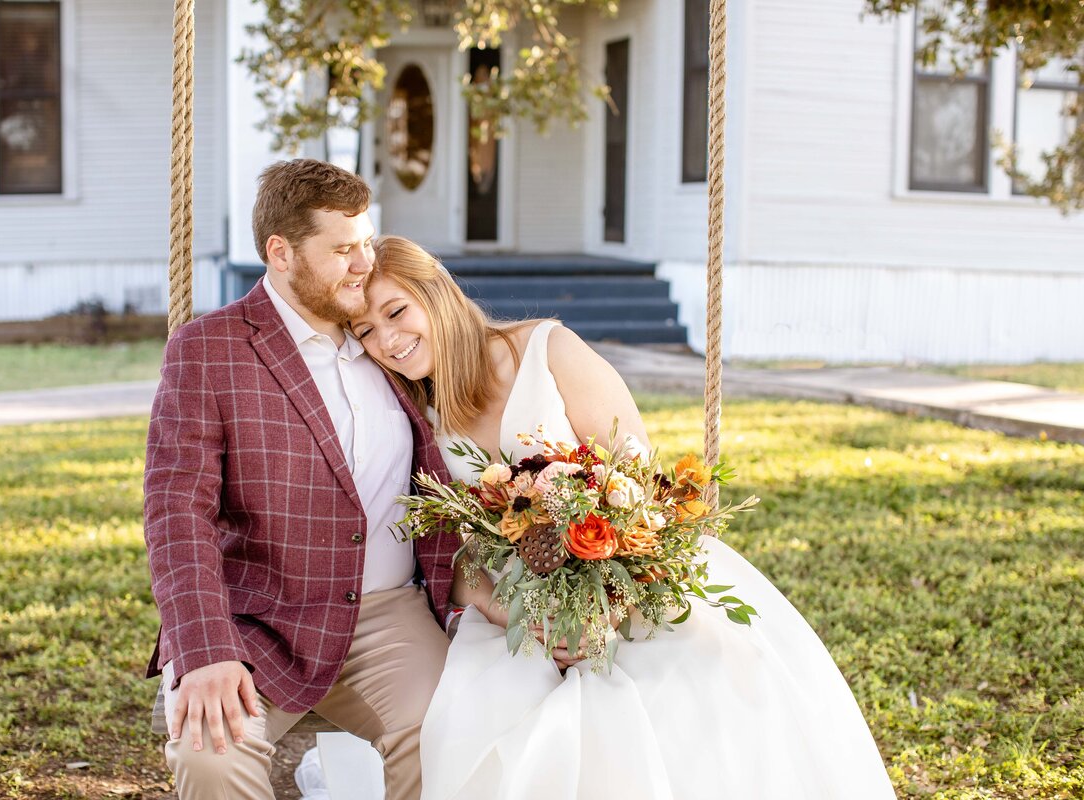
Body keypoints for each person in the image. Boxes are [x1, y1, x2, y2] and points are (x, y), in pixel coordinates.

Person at [348, 235, 898, 799]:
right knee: (499, 717)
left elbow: (641, 488)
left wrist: (607, 607)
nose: (387, 340)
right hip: (516, 603)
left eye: (397, 311)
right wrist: (508, 608)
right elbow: (449, 553)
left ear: (435, 289)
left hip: (631, 569)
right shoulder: (412, 412)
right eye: (365, 331)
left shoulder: (547, 349)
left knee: (693, 679)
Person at [142, 162, 459, 800]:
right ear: (280, 253)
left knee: (447, 729)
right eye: (342, 249)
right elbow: (177, 512)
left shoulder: (387, 338)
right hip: (257, 616)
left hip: (389, 613)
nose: (363, 264)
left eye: (366, 243)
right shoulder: (209, 350)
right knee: (210, 754)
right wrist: (204, 649)